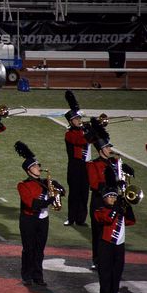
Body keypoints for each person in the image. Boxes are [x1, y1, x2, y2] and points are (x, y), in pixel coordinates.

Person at [15, 141, 65, 287]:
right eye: (36, 166)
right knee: (29, 248)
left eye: (39, 166)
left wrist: (59, 189)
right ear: (29, 170)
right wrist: (49, 199)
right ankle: (27, 275)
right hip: (29, 219)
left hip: (43, 219)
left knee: (40, 249)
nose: (39, 168)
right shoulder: (23, 185)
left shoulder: (46, 182)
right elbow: (32, 204)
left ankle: (38, 276)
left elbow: (63, 192)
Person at [86, 119, 133, 270]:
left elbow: (122, 178)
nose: (109, 149)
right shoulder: (92, 165)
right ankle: (97, 259)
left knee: (114, 229)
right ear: (100, 150)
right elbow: (94, 184)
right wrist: (112, 184)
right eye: (107, 147)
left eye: (109, 147)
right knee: (98, 232)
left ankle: (113, 258)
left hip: (115, 200)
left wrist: (124, 175)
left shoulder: (115, 163)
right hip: (99, 201)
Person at [94, 187, 135, 293]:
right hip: (106, 246)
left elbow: (131, 221)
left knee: (116, 277)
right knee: (106, 277)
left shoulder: (119, 211)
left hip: (119, 247)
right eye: (110, 196)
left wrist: (128, 207)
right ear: (104, 198)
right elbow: (107, 219)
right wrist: (117, 208)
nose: (113, 198)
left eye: (115, 196)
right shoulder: (99, 210)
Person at [63, 91, 91, 226]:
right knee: (74, 193)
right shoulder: (69, 134)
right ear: (70, 121)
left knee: (84, 193)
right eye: (75, 119)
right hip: (75, 166)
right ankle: (71, 217)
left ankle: (81, 219)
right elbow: (81, 141)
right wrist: (91, 130)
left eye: (79, 119)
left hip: (87, 166)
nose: (79, 121)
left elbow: (100, 141)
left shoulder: (84, 130)